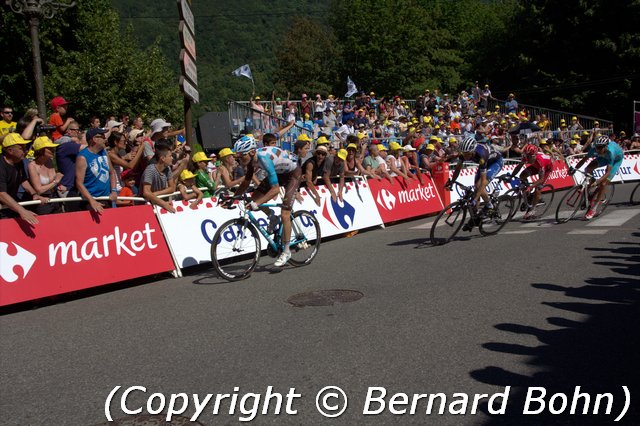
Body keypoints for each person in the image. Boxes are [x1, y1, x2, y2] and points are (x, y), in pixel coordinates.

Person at [232, 135, 303, 267]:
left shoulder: (263, 159)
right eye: (238, 157)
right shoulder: (251, 160)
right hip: (279, 172)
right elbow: (246, 182)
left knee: (285, 214)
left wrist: (257, 204)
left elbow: (275, 190)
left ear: (252, 152)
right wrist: (233, 198)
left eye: (242, 156)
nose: (240, 160)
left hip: (293, 174)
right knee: (253, 198)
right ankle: (271, 216)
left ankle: (287, 251)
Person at [447, 137, 504, 231]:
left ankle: (490, 205)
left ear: (473, 151)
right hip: (485, 164)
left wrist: (476, 198)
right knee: (476, 190)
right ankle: (474, 219)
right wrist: (452, 182)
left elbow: (483, 181)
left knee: (479, 186)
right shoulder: (464, 153)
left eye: (468, 154)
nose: (465, 157)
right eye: (464, 154)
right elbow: (457, 169)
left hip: (495, 162)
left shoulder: (481, 155)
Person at [569, 135, 624, 220]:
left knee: (603, 183)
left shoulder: (611, 152)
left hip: (616, 160)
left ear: (605, 146)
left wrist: (598, 181)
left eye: (600, 148)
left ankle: (593, 209)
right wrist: (575, 169)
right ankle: (592, 185)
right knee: (588, 168)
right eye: (597, 147)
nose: (597, 150)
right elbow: (584, 160)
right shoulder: (594, 149)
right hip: (603, 157)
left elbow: (608, 172)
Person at [0, 133, 47, 224]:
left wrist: (34, 194)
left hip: (8, 206)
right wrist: (22, 211)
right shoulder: (1, 166)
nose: (25, 150)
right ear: (10, 151)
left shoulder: (18, 162)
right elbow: (1, 194)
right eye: (21, 148)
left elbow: (23, 180)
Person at [76, 128, 118, 213]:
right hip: (91, 201)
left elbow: (112, 172)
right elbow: (79, 183)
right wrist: (92, 201)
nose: (105, 139)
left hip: (106, 198)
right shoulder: (82, 157)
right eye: (102, 136)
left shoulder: (104, 152)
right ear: (94, 139)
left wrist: (114, 191)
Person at [509, 143, 553, 220]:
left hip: (547, 168)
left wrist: (531, 187)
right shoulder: (527, 156)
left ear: (534, 155)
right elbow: (519, 167)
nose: (528, 159)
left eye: (530, 157)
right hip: (535, 166)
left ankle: (532, 209)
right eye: (527, 156)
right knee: (522, 176)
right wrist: (511, 176)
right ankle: (529, 196)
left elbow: (541, 179)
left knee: (538, 188)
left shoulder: (540, 160)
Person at [27, 136, 64, 215]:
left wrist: (60, 185)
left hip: (55, 198)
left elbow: (54, 180)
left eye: (52, 148)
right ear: (41, 150)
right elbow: (39, 190)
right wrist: (56, 182)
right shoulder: (32, 166)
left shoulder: (50, 161)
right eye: (49, 148)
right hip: (42, 202)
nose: (53, 150)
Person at [141, 144, 177, 213]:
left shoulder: (168, 168)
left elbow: (172, 188)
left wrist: (156, 194)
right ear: (162, 158)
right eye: (170, 156)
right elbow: (146, 192)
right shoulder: (150, 169)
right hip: (146, 205)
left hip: (157, 202)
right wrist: (164, 204)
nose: (172, 158)